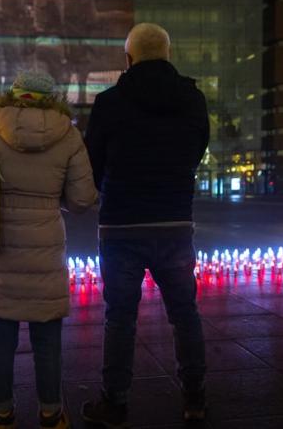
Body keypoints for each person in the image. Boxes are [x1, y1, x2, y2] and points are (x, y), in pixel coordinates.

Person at [0, 71, 98, 429]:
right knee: (47, 343)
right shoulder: (68, 134)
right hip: (44, 252)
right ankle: (50, 412)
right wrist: (51, 196)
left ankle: (2, 412)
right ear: (50, 97)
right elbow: (82, 199)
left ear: (15, 93)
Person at [82, 23, 210, 425]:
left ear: (129, 58)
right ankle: (194, 399)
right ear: (168, 55)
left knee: (120, 316)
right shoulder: (192, 99)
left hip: (121, 226)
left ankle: (115, 402)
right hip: (174, 223)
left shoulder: (110, 102)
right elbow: (197, 150)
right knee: (184, 313)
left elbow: (93, 165)